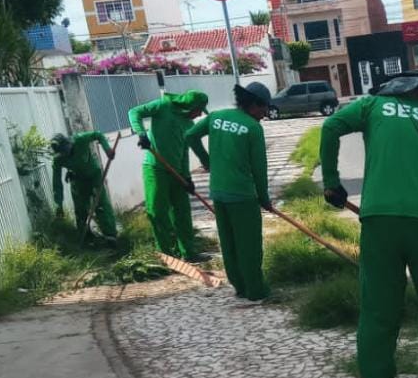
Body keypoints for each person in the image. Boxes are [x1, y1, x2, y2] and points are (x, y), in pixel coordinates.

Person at [319, 70, 418, 378]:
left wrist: (332, 181)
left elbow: (330, 126)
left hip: (379, 221)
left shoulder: (372, 106)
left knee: (380, 304)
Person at [186, 83, 272, 302]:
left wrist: (207, 161)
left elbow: (190, 136)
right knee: (249, 245)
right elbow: (259, 168)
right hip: (243, 195)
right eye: (264, 108)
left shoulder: (216, 117)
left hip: (218, 192)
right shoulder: (253, 128)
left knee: (229, 243)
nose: (265, 113)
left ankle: (239, 287)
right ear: (255, 104)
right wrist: (264, 198)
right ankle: (255, 291)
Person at [128, 90, 208, 261]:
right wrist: (141, 133)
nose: (200, 114)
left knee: (182, 213)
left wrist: (187, 178)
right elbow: (134, 112)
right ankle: (166, 255)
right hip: (155, 168)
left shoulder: (189, 124)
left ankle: (188, 253)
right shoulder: (163, 106)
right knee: (158, 212)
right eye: (199, 110)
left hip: (177, 172)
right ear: (189, 107)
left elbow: (184, 151)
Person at [50, 131, 117, 240]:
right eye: (62, 153)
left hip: (94, 175)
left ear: (69, 143)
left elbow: (98, 134)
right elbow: (56, 183)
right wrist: (59, 204)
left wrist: (107, 149)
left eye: (66, 150)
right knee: (80, 208)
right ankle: (86, 236)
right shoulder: (58, 159)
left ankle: (110, 235)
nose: (66, 154)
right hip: (78, 179)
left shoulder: (80, 139)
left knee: (100, 203)